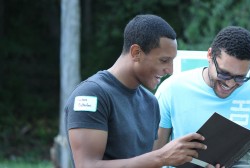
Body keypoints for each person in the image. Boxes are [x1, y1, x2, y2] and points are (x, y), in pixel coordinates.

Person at [64, 14, 219, 168]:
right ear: (136, 52)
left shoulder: (151, 102)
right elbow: (86, 165)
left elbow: (147, 163)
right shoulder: (92, 94)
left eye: (172, 61)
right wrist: (162, 157)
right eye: (164, 60)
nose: (170, 70)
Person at [154, 26, 250, 168]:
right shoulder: (172, 89)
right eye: (223, 73)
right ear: (209, 56)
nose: (229, 83)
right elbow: (152, 157)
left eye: (240, 78)